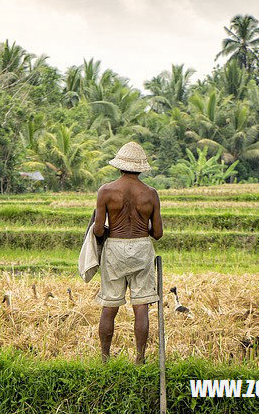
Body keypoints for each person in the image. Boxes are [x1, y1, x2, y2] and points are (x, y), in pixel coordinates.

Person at [93, 141, 163, 364]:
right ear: (141, 168)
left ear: (119, 166)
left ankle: (105, 359)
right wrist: (143, 225)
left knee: (110, 305)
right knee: (141, 305)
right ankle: (140, 359)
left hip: (114, 247)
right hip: (142, 247)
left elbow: (97, 229)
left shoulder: (106, 191)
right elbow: (158, 233)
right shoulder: (151, 194)